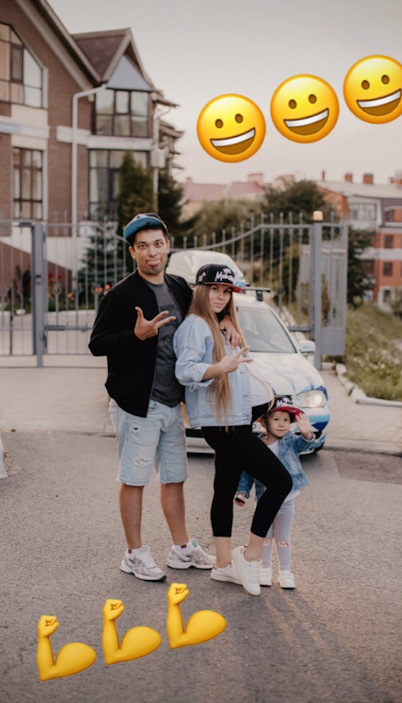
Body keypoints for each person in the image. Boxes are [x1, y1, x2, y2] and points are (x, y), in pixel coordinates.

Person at [88, 213, 240, 582]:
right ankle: (134, 554)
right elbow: (97, 344)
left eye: (157, 244)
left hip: (173, 402)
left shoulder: (178, 287)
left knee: (174, 477)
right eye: (143, 246)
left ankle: (181, 548)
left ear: (167, 246)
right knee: (134, 479)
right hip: (137, 404)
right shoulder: (121, 295)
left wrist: (226, 320)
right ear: (133, 252)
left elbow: (203, 313)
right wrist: (135, 336)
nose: (152, 252)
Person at [173, 263, 293, 596]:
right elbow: (184, 370)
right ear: (201, 290)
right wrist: (218, 367)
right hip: (221, 422)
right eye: (214, 289)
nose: (220, 296)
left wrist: (225, 322)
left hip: (232, 418)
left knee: (225, 487)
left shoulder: (216, 323)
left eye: (226, 292)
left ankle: (223, 563)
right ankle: (250, 555)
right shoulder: (195, 326)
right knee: (281, 481)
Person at [235, 397, 314, 589]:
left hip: (286, 502)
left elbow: (304, 445)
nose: (282, 424)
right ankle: (265, 569)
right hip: (264, 502)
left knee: (283, 538)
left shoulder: (290, 441)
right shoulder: (257, 446)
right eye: (276, 419)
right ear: (264, 422)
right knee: (265, 537)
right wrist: (243, 492)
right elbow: (247, 472)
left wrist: (307, 434)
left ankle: (285, 572)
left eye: (286, 420)